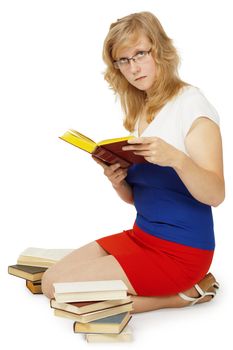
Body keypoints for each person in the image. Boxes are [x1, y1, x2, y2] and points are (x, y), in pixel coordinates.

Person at [42, 11, 225, 313]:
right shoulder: (142, 110)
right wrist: (119, 182)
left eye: (140, 53)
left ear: (160, 50)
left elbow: (216, 194)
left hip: (181, 252)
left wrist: (177, 158)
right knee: (52, 278)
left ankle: (182, 296)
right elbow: (145, 198)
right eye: (123, 60)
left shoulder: (192, 105)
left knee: (56, 290)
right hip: (142, 236)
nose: (134, 67)